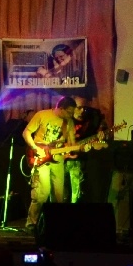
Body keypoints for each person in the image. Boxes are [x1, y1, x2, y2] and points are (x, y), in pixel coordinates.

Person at [22, 97, 78, 228]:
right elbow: (26, 133)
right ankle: (32, 223)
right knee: (42, 193)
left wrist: (77, 149)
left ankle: (55, 224)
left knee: (59, 195)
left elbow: (72, 144)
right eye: (69, 112)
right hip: (41, 157)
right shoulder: (42, 115)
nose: (71, 115)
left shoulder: (69, 122)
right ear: (61, 108)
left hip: (58, 160)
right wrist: (35, 148)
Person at [67, 95, 111, 203]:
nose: (82, 111)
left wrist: (101, 134)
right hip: (68, 160)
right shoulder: (66, 120)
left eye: (84, 108)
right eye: (79, 108)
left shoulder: (92, 119)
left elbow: (102, 136)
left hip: (87, 161)